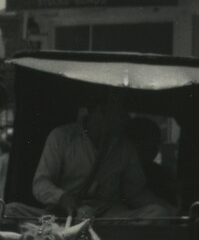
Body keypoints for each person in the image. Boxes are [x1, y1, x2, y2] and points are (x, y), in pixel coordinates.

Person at [32, 93, 175, 221]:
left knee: (157, 213)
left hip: (108, 218)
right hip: (65, 215)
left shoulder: (125, 147)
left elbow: (135, 193)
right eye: (121, 111)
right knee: (14, 209)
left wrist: (172, 211)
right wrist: (62, 198)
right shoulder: (61, 137)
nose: (126, 118)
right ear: (103, 110)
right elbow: (41, 183)